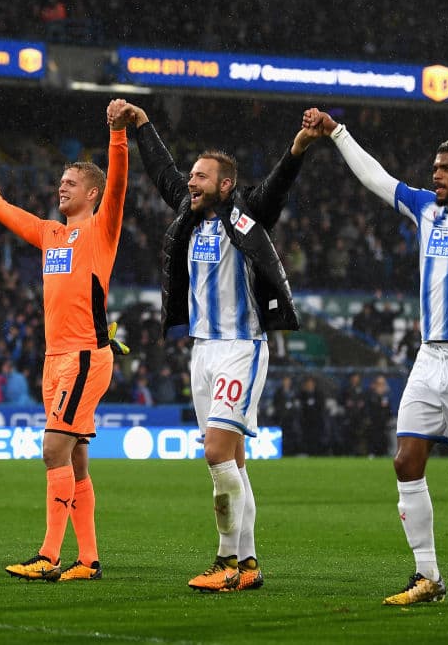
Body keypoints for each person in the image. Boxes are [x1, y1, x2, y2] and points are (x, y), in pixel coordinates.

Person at [304, 107, 448, 609]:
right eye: (435, 166)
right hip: (428, 360)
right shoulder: (424, 209)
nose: (435, 173)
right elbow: (376, 178)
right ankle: (427, 576)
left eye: (447, 167)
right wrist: (338, 133)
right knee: (406, 461)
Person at [117, 100, 320, 592]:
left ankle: (227, 561)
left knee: (215, 454)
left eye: (202, 177)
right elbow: (163, 173)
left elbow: (275, 188)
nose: (191, 182)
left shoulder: (246, 213)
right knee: (232, 462)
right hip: (202, 351)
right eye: (192, 175)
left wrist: (297, 148)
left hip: (241, 346)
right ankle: (247, 565)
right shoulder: (189, 214)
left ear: (225, 185)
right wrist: (143, 124)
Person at [0, 100, 129, 583]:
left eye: (71, 182)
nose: (61, 186)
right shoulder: (52, 234)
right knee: (73, 458)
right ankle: (88, 559)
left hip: (83, 356)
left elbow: (118, 185)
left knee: (53, 448)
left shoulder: (101, 229)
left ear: (91, 193)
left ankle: (49, 555)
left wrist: (117, 135)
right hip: (55, 358)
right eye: (61, 181)